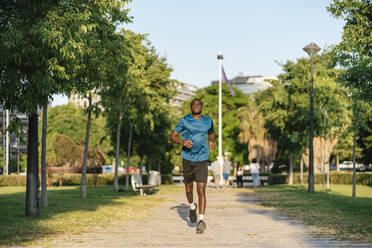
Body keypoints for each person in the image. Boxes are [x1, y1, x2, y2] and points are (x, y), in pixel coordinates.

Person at [169, 99, 215, 234]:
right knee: (189, 190)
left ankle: (201, 220)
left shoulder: (208, 121)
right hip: (187, 158)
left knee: (201, 190)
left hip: (202, 159)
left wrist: (212, 141)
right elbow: (172, 136)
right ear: (191, 107)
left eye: (198, 104)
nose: (196, 106)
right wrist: (181, 141)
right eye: (194, 105)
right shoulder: (184, 120)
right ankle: (192, 206)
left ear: (201, 107)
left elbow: (211, 133)